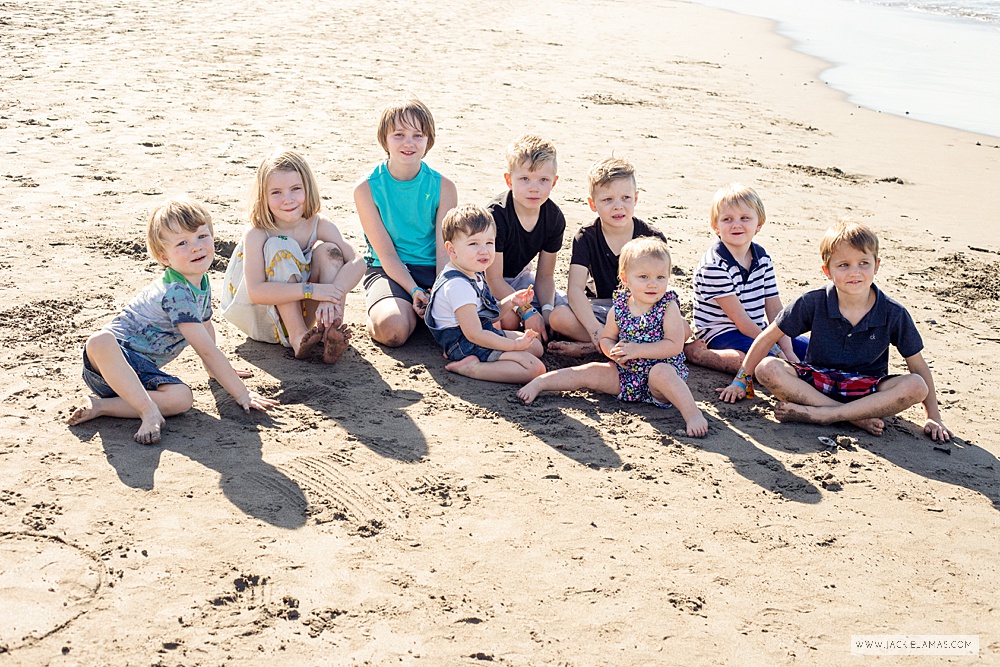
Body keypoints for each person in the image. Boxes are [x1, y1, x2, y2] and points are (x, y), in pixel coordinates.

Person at [718, 220, 952, 441]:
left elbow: (918, 365)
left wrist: (933, 417)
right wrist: (741, 380)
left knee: (916, 385)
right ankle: (852, 417)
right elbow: (767, 337)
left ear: (876, 266)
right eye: (843, 265)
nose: (854, 272)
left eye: (863, 263)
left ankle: (826, 415)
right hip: (817, 381)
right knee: (767, 368)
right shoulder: (814, 301)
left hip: (868, 390)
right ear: (827, 270)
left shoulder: (893, 313)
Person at [67, 199, 278, 445]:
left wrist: (214, 372)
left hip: (143, 375)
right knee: (100, 341)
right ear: (163, 257)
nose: (196, 247)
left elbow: (206, 327)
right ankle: (148, 412)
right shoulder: (176, 292)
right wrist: (242, 393)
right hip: (108, 365)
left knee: (183, 398)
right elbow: (206, 350)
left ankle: (101, 407)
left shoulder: (201, 280)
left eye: (202, 236)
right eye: (182, 243)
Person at [519, 237, 708, 437]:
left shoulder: (667, 306)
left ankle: (692, 414)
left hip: (660, 378)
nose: (653, 284)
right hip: (627, 372)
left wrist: (638, 350)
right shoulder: (619, 308)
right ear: (626, 279)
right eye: (643, 277)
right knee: (590, 372)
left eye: (661, 277)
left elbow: (675, 345)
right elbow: (607, 338)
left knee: (661, 373)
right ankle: (541, 383)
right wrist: (612, 352)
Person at [221, 149, 363, 363]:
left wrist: (332, 294)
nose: (287, 200)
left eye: (295, 189)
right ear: (263, 196)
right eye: (276, 192)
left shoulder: (318, 223)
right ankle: (297, 338)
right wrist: (314, 290)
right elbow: (257, 292)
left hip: (307, 311)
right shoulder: (258, 233)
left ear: (308, 188)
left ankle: (329, 330)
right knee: (279, 246)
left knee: (330, 251)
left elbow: (357, 261)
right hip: (264, 317)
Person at [354, 98, 458, 347]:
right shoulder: (366, 189)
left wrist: (440, 289)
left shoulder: (444, 187)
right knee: (392, 331)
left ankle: (422, 313)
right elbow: (387, 255)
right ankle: (393, 310)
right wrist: (414, 291)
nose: (408, 143)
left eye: (417, 135)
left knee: (471, 321)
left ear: (428, 141)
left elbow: (445, 254)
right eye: (399, 134)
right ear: (385, 140)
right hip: (388, 271)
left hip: (435, 271)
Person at [548, 157, 667, 357]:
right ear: (593, 204)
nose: (618, 206)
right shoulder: (586, 237)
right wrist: (596, 331)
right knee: (558, 317)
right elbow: (575, 290)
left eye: (626, 198)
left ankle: (591, 348)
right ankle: (607, 343)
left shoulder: (652, 238)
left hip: (641, 307)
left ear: (636, 198)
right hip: (602, 308)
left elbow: (661, 287)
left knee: (681, 328)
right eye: (607, 200)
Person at [685, 183, 807, 374]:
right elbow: (740, 320)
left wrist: (788, 350)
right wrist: (776, 351)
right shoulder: (714, 265)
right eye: (727, 219)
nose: (736, 224)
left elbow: (774, 309)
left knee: (811, 350)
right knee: (762, 364)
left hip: (757, 328)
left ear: (758, 224)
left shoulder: (762, 258)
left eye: (745, 218)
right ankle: (698, 354)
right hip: (720, 332)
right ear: (715, 226)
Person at [425, 204, 546, 384]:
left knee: (536, 346)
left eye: (489, 242)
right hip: (466, 343)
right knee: (535, 369)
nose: (484, 250)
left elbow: (488, 313)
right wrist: (513, 347)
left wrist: (512, 301)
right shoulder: (458, 285)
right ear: (451, 250)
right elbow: (475, 334)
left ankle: (481, 359)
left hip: (477, 333)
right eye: (473, 243)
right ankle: (471, 368)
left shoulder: (472, 270)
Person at [484, 134, 567, 343]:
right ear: (509, 180)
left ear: (554, 182)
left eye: (543, 180)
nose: (534, 188)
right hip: (486, 278)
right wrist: (528, 312)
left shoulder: (554, 217)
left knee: (560, 314)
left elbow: (546, 276)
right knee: (509, 320)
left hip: (521, 278)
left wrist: (546, 312)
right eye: (524, 179)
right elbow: (493, 279)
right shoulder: (497, 215)